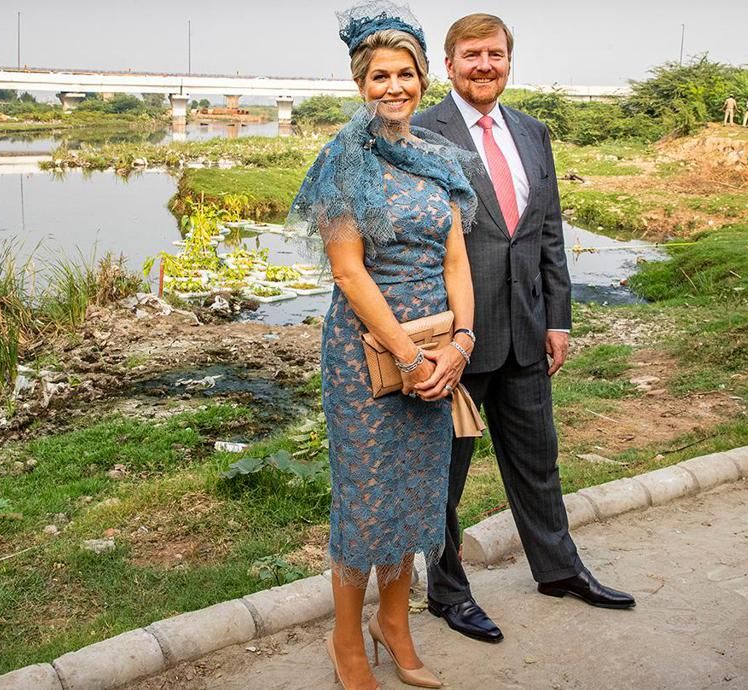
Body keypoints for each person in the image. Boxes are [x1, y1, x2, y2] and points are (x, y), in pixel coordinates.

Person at [413, 13, 636, 645]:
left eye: (496, 54)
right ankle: (448, 593)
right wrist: (429, 338)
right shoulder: (422, 134)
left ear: (509, 61)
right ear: (449, 65)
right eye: (471, 55)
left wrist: (558, 319)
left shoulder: (534, 133)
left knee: (539, 463)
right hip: (456, 337)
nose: (484, 65)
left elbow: (547, 236)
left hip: (528, 331)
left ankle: (560, 571)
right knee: (444, 474)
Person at [287, 3, 480, 688]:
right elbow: (347, 271)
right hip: (368, 356)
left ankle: (392, 624)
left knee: (418, 494)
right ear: (359, 84)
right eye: (378, 76)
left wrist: (461, 342)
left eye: (404, 74)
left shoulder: (437, 160)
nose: (393, 86)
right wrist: (410, 355)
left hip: (438, 353)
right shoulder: (344, 161)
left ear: (424, 80)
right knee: (366, 496)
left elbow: (458, 260)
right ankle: (347, 640)